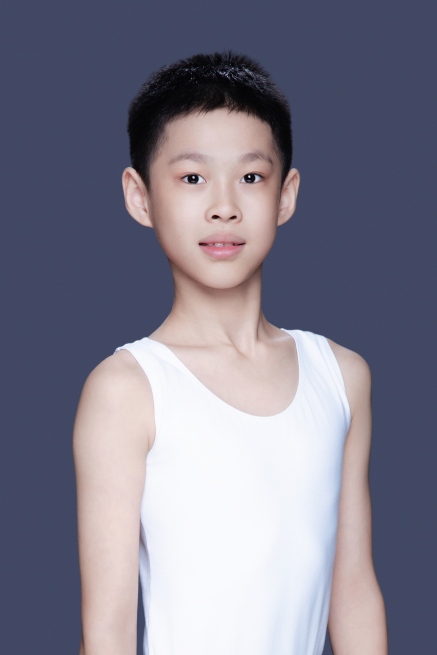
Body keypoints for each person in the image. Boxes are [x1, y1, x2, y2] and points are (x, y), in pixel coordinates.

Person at [72, 51, 388, 655]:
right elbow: (106, 631)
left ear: (286, 195)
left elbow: (352, 591)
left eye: (251, 177)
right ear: (140, 197)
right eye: (192, 178)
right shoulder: (127, 390)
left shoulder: (341, 376)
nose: (224, 206)